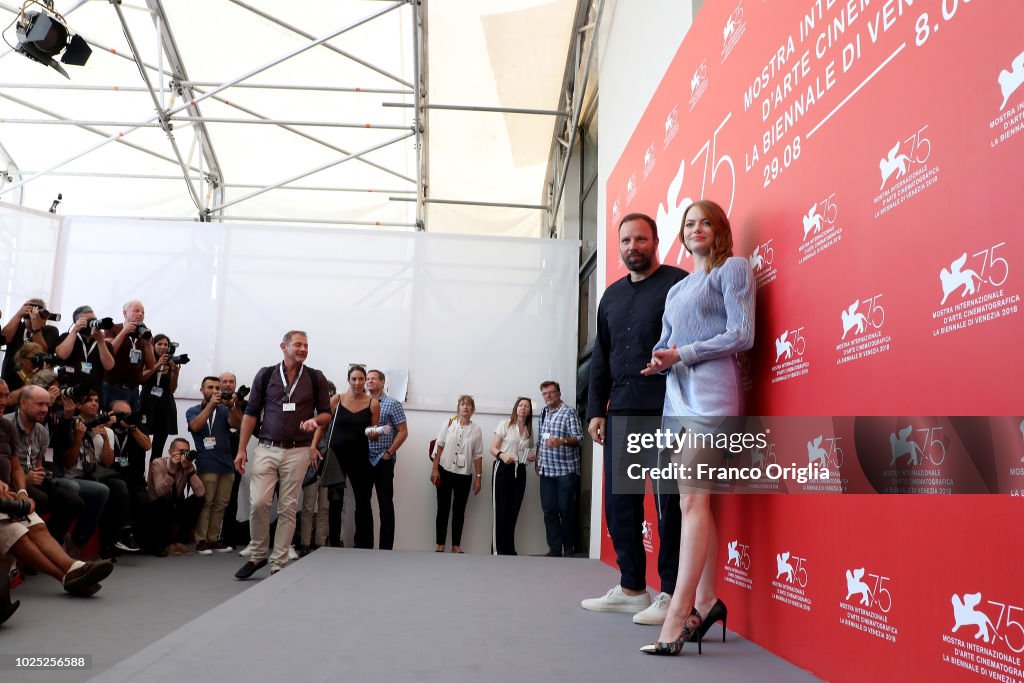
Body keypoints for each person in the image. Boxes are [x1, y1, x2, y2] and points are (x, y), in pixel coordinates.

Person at [638, 200, 754, 655]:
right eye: (690, 223)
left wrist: (681, 354)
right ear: (682, 235)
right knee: (695, 501)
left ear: (720, 229)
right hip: (676, 397)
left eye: (706, 221)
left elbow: (742, 333)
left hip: (712, 396)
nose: (697, 228)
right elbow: (667, 340)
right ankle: (706, 601)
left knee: (691, 499)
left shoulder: (732, 270)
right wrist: (659, 357)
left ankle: (678, 616)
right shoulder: (676, 288)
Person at [583, 212, 686, 624]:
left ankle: (673, 594)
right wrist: (595, 410)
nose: (632, 247)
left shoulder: (678, 283)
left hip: (666, 411)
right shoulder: (609, 296)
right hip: (621, 413)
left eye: (640, 239)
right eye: (625, 241)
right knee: (620, 505)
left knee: (669, 506)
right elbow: (600, 360)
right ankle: (631, 589)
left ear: (655, 240)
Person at [233, 330, 331, 579]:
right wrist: (242, 448)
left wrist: (313, 421)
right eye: (297, 345)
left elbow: (326, 415)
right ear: (283, 347)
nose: (303, 349)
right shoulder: (266, 375)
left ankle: (278, 561)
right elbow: (251, 413)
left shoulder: (315, 377)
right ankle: (257, 555)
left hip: (298, 451)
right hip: (266, 447)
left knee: (288, 507)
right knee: (259, 503)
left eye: (306, 345)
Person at [0, 385, 113, 597]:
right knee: (19, 532)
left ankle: (73, 567)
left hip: (14, 493)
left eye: (6, 396)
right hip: (8, 494)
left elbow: (16, 466)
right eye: (39, 404)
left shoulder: (8, 428)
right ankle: (68, 574)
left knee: (41, 522)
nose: (4, 400)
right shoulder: (10, 422)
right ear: (23, 403)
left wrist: (22, 491)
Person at [312, 365, 379, 550]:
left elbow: (373, 431)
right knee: (335, 501)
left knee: (363, 501)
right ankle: (334, 542)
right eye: (354, 379)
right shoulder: (337, 400)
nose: (357, 383)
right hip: (336, 457)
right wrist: (313, 446)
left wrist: (375, 434)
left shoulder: (373, 403)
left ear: (365, 381)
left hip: (361, 457)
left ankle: (363, 543)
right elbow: (322, 425)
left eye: (360, 379)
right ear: (348, 380)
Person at [187, 376, 242, 554]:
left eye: (217, 388)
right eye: (210, 387)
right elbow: (195, 426)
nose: (215, 390)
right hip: (207, 462)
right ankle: (201, 540)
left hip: (226, 463)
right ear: (202, 390)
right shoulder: (193, 410)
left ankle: (213, 539)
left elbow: (238, 424)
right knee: (207, 502)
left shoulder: (225, 410)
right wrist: (210, 405)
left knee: (221, 504)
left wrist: (233, 406)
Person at [430, 395, 483, 553]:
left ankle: (455, 545)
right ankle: (440, 544)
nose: (465, 407)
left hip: (464, 475)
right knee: (443, 509)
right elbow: (439, 445)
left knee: (459, 510)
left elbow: (478, 455)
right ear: (458, 407)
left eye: (468, 405)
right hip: (445, 471)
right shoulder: (448, 423)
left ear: (472, 409)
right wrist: (435, 469)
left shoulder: (476, 430)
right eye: (462, 404)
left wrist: (479, 478)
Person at [536, 381, 583, 557]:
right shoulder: (543, 413)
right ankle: (555, 548)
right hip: (546, 471)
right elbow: (541, 439)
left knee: (566, 509)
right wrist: (538, 460)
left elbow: (579, 439)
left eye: (551, 392)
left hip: (566, 471)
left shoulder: (569, 412)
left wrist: (561, 441)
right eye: (545, 393)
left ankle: (568, 546)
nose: (548, 396)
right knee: (549, 510)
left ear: (559, 393)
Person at [364, 369, 407, 550]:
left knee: (385, 505)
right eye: (368, 379)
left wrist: (389, 453)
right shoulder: (361, 403)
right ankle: (365, 545)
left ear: (383, 383)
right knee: (363, 505)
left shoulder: (393, 404)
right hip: (364, 460)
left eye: (374, 379)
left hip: (383, 460)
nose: (369, 381)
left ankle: (385, 549)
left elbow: (403, 431)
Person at [489, 397, 535, 555]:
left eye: (526, 406)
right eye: (521, 405)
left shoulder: (529, 430)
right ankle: (497, 550)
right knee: (500, 511)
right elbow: (493, 448)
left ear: (529, 411)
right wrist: (502, 455)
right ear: (516, 408)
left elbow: (527, 452)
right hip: (503, 469)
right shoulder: (505, 424)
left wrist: (529, 458)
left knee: (513, 511)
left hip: (520, 471)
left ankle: (509, 550)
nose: (523, 408)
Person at [146, 438, 205, 556]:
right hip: (156, 508)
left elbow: (200, 493)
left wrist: (190, 470)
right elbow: (160, 493)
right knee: (165, 501)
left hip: (174, 505)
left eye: (186, 452)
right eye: (181, 451)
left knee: (198, 500)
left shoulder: (187, 466)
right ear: (170, 451)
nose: (184, 455)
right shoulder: (158, 463)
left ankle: (180, 541)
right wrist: (172, 470)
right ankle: (168, 544)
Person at [103, 300, 155, 412]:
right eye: (136, 311)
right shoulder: (112, 329)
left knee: (131, 425)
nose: (140, 314)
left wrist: (147, 344)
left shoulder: (145, 334)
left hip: (133, 390)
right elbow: (109, 353)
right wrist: (124, 332)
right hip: (112, 387)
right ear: (125, 313)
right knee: (111, 423)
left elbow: (151, 366)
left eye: (143, 312)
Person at [54, 306, 116, 396]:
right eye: (88, 321)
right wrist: (75, 330)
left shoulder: (104, 343)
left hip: (93, 395)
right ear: (77, 322)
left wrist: (101, 341)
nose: (92, 323)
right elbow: (62, 355)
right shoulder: (67, 337)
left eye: (94, 320)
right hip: (69, 391)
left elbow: (109, 366)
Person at [1, 299, 60, 392]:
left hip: (36, 384)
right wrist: (18, 314)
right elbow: (3, 339)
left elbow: (42, 352)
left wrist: (36, 328)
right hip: (10, 380)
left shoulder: (50, 331)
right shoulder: (17, 327)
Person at [140, 334, 181, 461]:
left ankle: (153, 478)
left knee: (158, 446)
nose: (163, 347)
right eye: (159, 344)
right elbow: (141, 378)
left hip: (165, 404)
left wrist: (175, 374)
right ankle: (139, 476)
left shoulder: (172, 362)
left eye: (165, 345)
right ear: (153, 345)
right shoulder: (146, 358)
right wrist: (157, 365)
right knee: (141, 442)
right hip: (147, 403)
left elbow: (172, 389)